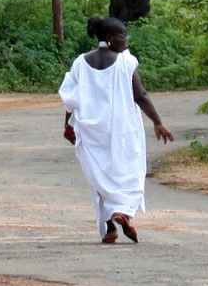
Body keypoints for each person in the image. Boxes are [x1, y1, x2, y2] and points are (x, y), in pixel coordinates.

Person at [59, 15, 175, 243]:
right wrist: (157, 122)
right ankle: (122, 210)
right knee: (127, 172)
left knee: (99, 177)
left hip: (90, 130)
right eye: (123, 35)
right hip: (122, 130)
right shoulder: (125, 62)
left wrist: (67, 125)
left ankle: (110, 227)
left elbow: (71, 99)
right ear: (110, 38)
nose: (127, 40)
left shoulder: (80, 62)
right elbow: (140, 95)